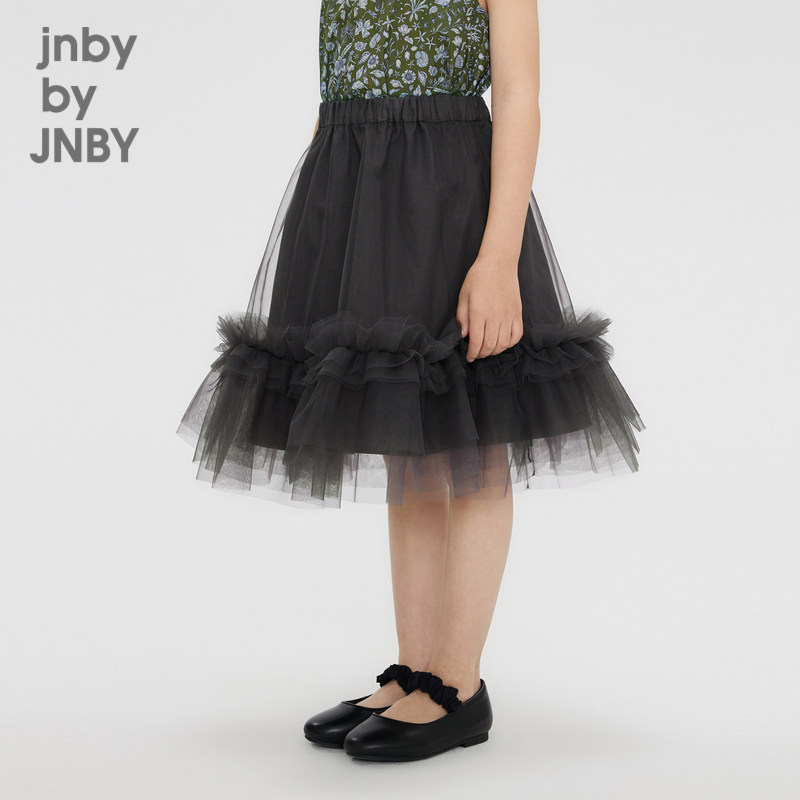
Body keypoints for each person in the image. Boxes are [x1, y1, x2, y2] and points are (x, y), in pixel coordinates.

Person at [176, 0, 645, 761]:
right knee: (409, 439)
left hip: (447, 198)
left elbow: (518, 92)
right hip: (356, 195)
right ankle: (417, 669)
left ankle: (459, 684)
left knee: (475, 432)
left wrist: (499, 257)